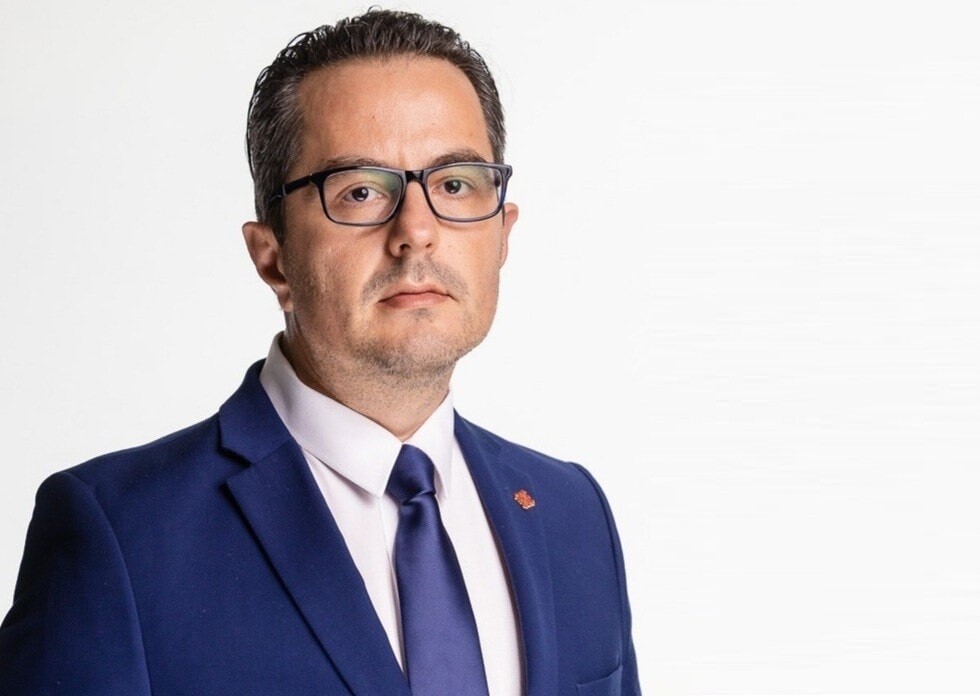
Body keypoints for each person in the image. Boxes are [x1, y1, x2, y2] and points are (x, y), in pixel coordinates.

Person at [0, 9, 639, 696]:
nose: (417, 231)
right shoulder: (119, 539)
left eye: (454, 184)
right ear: (272, 257)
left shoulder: (573, 514)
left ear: (503, 234)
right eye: (360, 191)